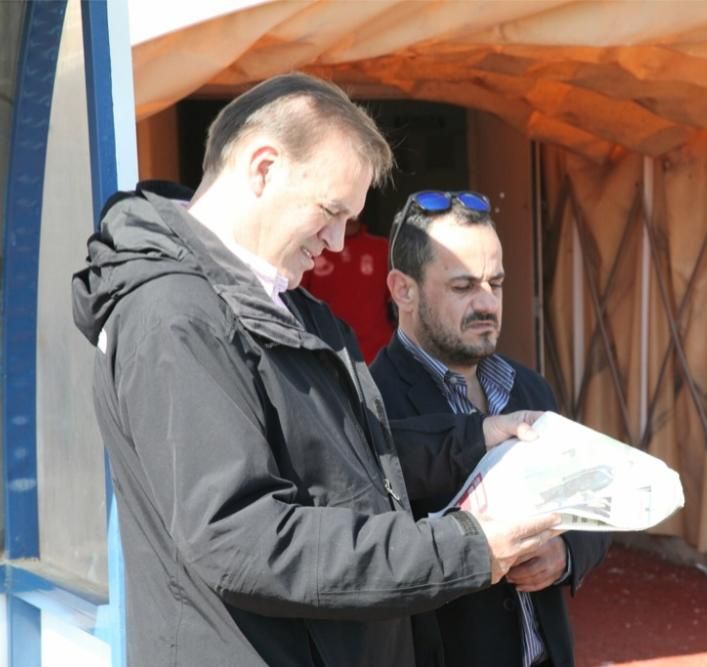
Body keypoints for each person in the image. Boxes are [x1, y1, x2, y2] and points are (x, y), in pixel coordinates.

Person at [71, 74, 562, 667]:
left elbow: (343, 460)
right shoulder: (175, 316)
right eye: (330, 212)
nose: (335, 241)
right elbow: (243, 539)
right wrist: (466, 547)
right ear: (264, 167)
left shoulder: (284, 301)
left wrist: (471, 441)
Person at [370, 191, 609, 667]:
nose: (487, 303)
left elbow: (598, 502)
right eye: (463, 287)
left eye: (495, 283)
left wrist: (566, 554)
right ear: (403, 290)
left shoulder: (530, 389)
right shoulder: (371, 403)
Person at [300, 217, 394, 363]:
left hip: (376, 356)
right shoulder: (313, 248)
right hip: (326, 355)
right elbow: (295, 300)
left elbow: (399, 305)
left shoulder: (382, 248)